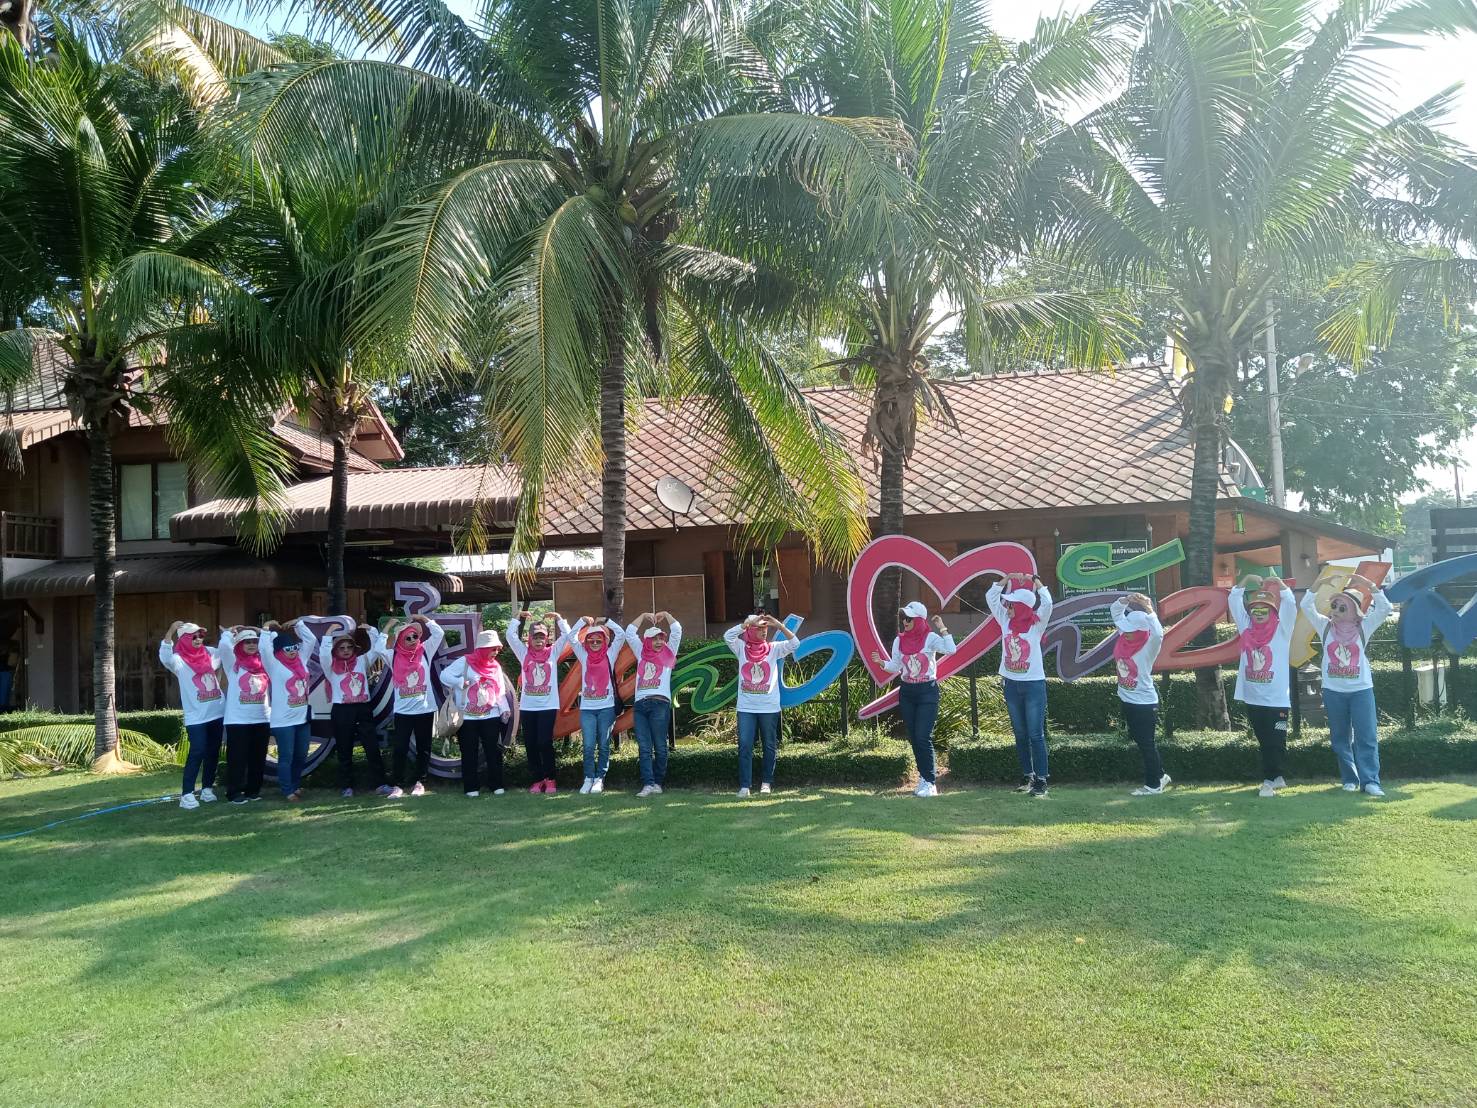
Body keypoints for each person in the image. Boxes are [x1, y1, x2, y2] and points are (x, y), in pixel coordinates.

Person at [1299, 572, 1394, 797]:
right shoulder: (1325, 626)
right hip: (1333, 691)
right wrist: (1318, 583)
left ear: (1353, 610)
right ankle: (1350, 779)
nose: (1336, 611)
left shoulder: (1364, 627)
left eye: (1342, 608)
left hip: (1361, 690)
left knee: (1367, 736)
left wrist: (1369, 584)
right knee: (1340, 738)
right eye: (1334, 606)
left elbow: (1385, 608)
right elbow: (1306, 606)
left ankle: (1370, 781)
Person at [870, 600, 956, 797]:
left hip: (927, 691)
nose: (905, 622)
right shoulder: (899, 640)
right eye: (903, 618)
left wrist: (942, 627)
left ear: (918, 620)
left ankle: (930, 783)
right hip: (907, 691)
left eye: (909, 619)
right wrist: (881, 663)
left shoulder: (930, 638)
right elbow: (896, 666)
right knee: (914, 737)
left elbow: (951, 649)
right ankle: (923, 779)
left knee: (923, 736)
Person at [1228, 574, 1298, 797]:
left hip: (1277, 700)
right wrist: (1247, 578)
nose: (1258, 614)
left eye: (1264, 610)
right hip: (1253, 697)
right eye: (1254, 610)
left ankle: (1271, 779)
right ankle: (1275, 778)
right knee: (1263, 740)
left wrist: (1280, 584)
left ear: (1273, 612)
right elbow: (1233, 600)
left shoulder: (1282, 630)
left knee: (1276, 740)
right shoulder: (1246, 629)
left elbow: (1290, 604)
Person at [985, 572, 1054, 797]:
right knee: (1020, 734)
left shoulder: (1037, 624)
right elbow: (991, 597)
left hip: (1033, 685)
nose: (1007, 607)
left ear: (1023, 607)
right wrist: (1007, 579)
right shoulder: (1005, 621)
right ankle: (1027, 775)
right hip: (1011, 685)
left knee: (1035, 734)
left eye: (1012, 604)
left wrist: (1035, 580)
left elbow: (1048, 603)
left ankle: (1041, 780)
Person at [724, 612, 800, 797]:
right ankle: (745, 786)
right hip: (746, 708)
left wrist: (780, 626)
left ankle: (766, 783)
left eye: (765, 628)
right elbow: (728, 636)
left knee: (769, 746)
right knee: (744, 745)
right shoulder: (741, 647)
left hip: (769, 707)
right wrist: (745, 623)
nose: (764, 631)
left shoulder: (774, 648)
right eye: (759, 628)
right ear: (750, 630)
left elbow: (795, 643)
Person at [371, 614, 445, 798]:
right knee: (400, 748)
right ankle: (398, 785)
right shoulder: (393, 656)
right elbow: (379, 648)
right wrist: (387, 627)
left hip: (425, 709)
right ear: (400, 641)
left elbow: (438, 633)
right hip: (403, 712)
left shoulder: (425, 650)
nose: (412, 640)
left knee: (423, 748)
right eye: (408, 638)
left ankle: (420, 782)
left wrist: (424, 619)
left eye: (415, 636)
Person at [318, 618, 393, 798]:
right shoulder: (330, 666)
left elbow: (375, 651)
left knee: (372, 747)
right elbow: (323, 654)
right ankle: (346, 787)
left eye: (349, 647)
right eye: (341, 648)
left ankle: (380, 784)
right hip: (342, 710)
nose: (346, 650)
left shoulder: (361, 661)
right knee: (344, 749)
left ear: (354, 649)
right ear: (335, 651)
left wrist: (372, 631)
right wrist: (328, 634)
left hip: (363, 708)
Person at [440, 629, 513, 797]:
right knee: (469, 752)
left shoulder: (495, 666)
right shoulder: (464, 662)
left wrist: (504, 709)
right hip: (467, 717)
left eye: (497, 649)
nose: (495, 652)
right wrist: (461, 682)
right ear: (482, 649)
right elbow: (444, 676)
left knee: (493, 751)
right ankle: (471, 787)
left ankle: (496, 785)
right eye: (492, 649)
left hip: (491, 715)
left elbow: (500, 690)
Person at [1110, 593, 1170, 796]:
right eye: (1125, 629)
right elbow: (1115, 612)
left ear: (1141, 631)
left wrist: (1149, 608)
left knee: (1146, 744)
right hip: (1127, 699)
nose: (1126, 633)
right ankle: (1160, 776)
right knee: (1140, 740)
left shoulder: (1148, 647)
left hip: (1144, 703)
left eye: (1130, 630)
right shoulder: (1125, 638)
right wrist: (1126, 600)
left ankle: (1154, 785)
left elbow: (1159, 635)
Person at [160, 621, 225, 810]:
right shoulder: (178, 660)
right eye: (193, 636)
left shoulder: (209, 653)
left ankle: (207, 789)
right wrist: (171, 630)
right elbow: (165, 656)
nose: (198, 639)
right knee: (197, 751)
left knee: (213, 751)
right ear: (184, 639)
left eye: (200, 636)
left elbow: (224, 654)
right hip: (196, 716)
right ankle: (187, 794)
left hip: (216, 711)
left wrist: (229, 635)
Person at [507, 611, 572, 794]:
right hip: (528, 707)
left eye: (542, 637)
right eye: (535, 637)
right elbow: (510, 636)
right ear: (530, 638)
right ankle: (537, 780)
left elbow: (567, 635)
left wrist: (559, 618)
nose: (538, 641)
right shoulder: (523, 653)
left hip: (548, 706)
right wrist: (517, 618)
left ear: (547, 638)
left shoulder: (553, 653)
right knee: (530, 744)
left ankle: (550, 779)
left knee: (544, 742)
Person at [568, 616, 628, 795]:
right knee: (588, 745)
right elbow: (571, 637)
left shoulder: (610, 654)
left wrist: (607, 621)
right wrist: (581, 622)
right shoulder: (583, 655)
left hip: (606, 708)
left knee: (603, 744)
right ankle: (588, 778)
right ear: (586, 642)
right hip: (587, 709)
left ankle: (599, 778)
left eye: (598, 640)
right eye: (591, 640)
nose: (594, 643)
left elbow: (621, 634)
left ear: (604, 641)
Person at [626, 611, 683, 798]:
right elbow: (629, 632)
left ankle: (658, 783)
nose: (658, 642)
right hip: (640, 706)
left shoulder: (669, 652)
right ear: (647, 641)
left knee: (660, 746)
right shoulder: (641, 653)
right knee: (644, 747)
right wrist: (643, 615)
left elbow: (677, 630)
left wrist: (666, 614)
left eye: (661, 638)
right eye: (654, 639)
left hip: (660, 704)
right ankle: (648, 784)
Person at [261, 619, 316, 802]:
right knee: (286, 756)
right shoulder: (274, 665)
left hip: (302, 718)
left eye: (294, 647)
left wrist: (298, 624)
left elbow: (310, 640)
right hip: (283, 721)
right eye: (288, 649)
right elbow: (264, 649)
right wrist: (266, 629)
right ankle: (287, 790)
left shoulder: (301, 660)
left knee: (301, 755)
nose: (292, 651)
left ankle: (295, 784)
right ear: (279, 651)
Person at [218, 625, 271, 805]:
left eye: (254, 641)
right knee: (237, 758)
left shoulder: (264, 663)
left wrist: (263, 631)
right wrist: (228, 633)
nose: (251, 645)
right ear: (239, 644)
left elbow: (269, 645)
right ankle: (234, 793)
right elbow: (224, 647)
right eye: (247, 642)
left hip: (262, 717)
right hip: (238, 720)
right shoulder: (233, 663)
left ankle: (253, 791)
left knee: (258, 758)